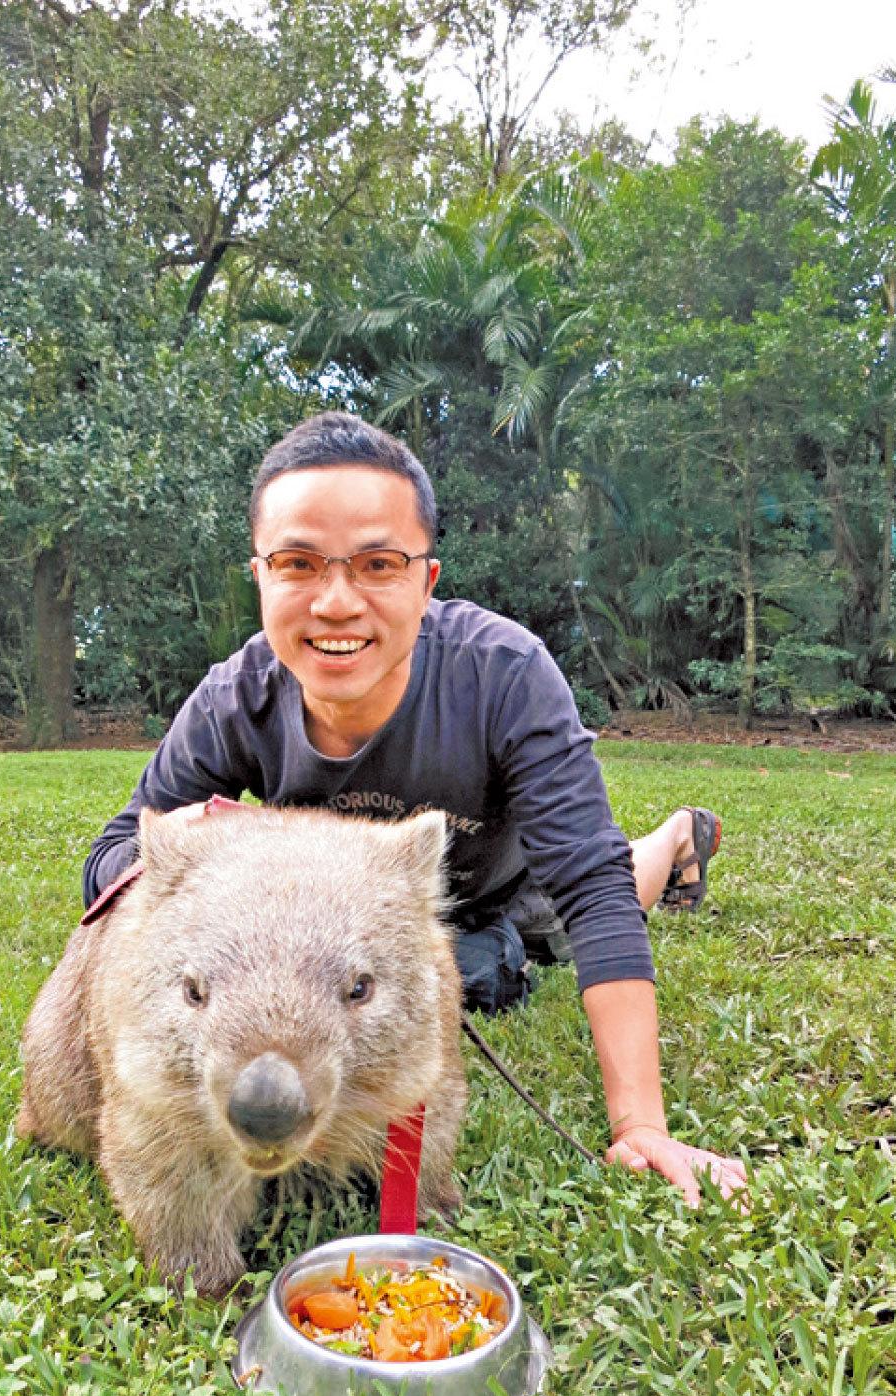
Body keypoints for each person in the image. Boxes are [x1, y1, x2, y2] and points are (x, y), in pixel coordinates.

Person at [84, 413, 748, 1208]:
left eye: (378, 564)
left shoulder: (502, 672)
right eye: (298, 563)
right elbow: (112, 859)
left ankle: (672, 839)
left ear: (426, 581)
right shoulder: (237, 698)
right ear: (260, 576)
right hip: (338, 937)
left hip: (504, 886)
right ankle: (661, 844)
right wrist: (192, 845)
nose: (336, 603)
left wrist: (639, 1122)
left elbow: (592, 888)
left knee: (511, 955)